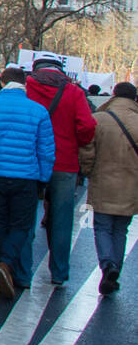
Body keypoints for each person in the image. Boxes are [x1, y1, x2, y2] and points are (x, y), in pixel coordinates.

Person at [0, 66, 56, 298]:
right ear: (24, 84)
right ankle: (6, 264)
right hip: (26, 177)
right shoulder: (39, 111)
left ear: (3, 83)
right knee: (21, 225)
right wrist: (44, 178)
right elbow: (46, 150)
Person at [23, 57, 96, 287]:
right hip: (64, 162)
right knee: (62, 219)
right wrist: (76, 142)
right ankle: (59, 271)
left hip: (30, 160)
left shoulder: (28, 88)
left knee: (25, 216)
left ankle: (22, 271)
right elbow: (87, 126)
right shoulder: (74, 92)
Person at [87, 81, 138, 295]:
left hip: (103, 181)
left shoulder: (99, 119)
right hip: (131, 184)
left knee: (102, 227)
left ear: (114, 94)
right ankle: (114, 269)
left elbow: (87, 151)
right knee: (120, 230)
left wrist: (87, 170)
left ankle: (108, 265)